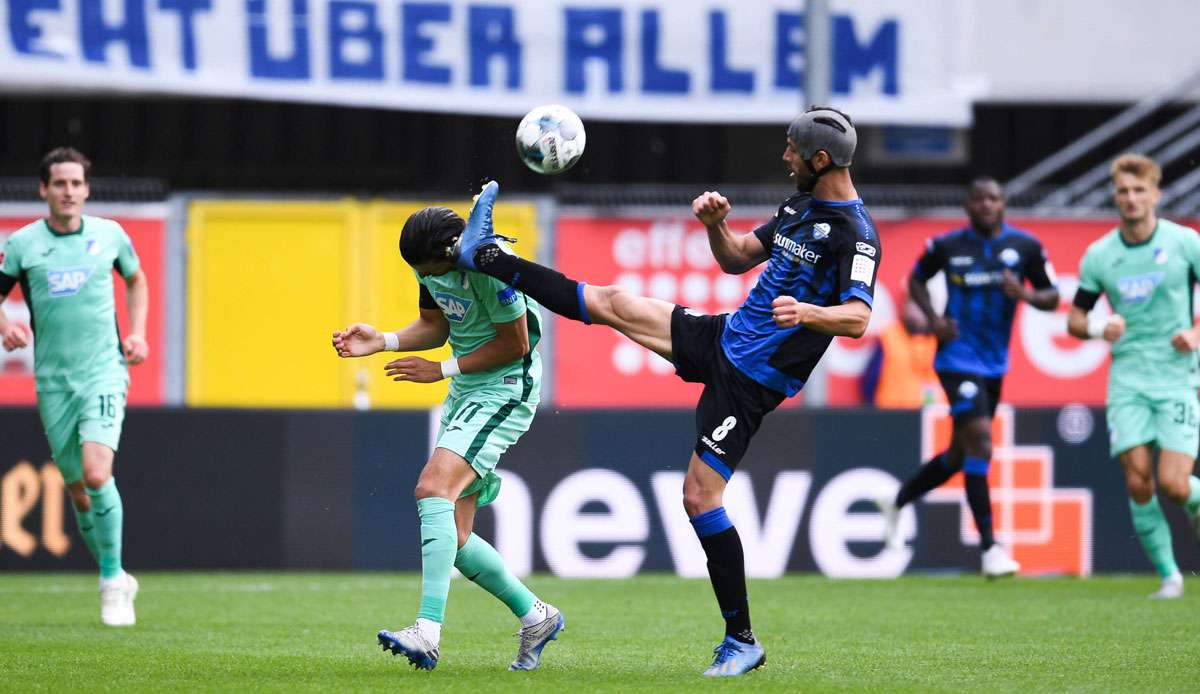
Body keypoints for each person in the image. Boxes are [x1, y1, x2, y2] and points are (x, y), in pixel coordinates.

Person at [452, 106, 881, 677]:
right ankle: (485, 255)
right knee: (611, 303)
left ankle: (743, 641)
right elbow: (736, 260)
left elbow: (856, 319)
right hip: (725, 336)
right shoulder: (798, 207)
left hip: (753, 380)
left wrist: (805, 313)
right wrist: (713, 226)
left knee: (700, 498)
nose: (784, 158)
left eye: (790, 150)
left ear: (819, 159)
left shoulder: (857, 235)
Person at [331, 205, 563, 671]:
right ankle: (536, 616)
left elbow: (517, 344)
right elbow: (437, 326)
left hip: (505, 388)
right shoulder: (431, 262)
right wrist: (385, 341)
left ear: (451, 252)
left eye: (428, 268)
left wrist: (441, 370)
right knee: (454, 536)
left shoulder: (489, 265)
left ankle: (427, 632)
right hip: (468, 388)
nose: (423, 276)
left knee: (432, 487)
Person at [876, 177, 1059, 577]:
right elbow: (917, 279)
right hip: (956, 358)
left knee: (962, 454)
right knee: (980, 441)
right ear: (968, 206)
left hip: (995, 363)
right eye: (978, 198)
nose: (986, 204)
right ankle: (991, 548)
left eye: (993, 198)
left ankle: (898, 501)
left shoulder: (1025, 248)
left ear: (1003, 204)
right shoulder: (947, 246)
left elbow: (1053, 296)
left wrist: (1025, 295)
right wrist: (934, 319)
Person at [0, 148, 149, 625]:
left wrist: (138, 331)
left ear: (87, 189)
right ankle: (116, 574)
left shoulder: (109, 236)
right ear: (43, 190)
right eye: (59, 183)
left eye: (76, 183)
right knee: (80, 491)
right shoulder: (24, 245)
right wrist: (5, 324)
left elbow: (137, 278)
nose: (68, 191)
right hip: (53, 383)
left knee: (97, 473)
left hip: (103, 371)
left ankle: (111, 582)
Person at [1067, 153, 1200, 599]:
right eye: (1123, 191)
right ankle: (1170, 576)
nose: (1130, 198)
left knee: (1174, 484)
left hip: (1177, 375)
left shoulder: (1184, 243)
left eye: (1139, 190)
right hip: (1127, 378)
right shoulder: (1101, 254)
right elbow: (1074, 320)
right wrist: (1101, 327)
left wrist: (1196, 331)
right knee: (1138, 480)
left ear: (1155, 194)